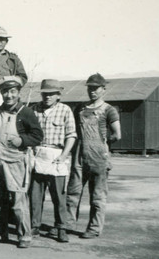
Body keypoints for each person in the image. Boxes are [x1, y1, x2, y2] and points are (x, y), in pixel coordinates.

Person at [0, 76, 43, 249]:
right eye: (5, 92)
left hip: (16, 160)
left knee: (18, 200)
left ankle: (24, 235)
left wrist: (22, 140)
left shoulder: (26, 112)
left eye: (12, 92)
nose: (9, 95)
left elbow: (38, 136)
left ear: (18, 93)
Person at [65, 73, 121, 239]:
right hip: (79, 155)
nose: (92, 91)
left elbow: (117, 134)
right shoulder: (81, 108)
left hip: (98, 156)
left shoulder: (109, 110)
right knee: (73, 192)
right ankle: (67, 224)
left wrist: (103, 144)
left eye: (96, 88)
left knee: (97, 196)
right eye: (90, 88)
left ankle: (94, 228)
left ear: (104, 89)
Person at [30, 79, 77, 243]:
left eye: (51, 94)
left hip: (57, 155)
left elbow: (71, 135)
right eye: (45, 94)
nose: (47, 97)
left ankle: (61, 228)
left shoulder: (65, 110)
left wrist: (63, 156)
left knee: (59, 197)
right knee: (35, 196)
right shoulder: (34, 109)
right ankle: (34, 226)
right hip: (38, 154)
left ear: (58, 95)